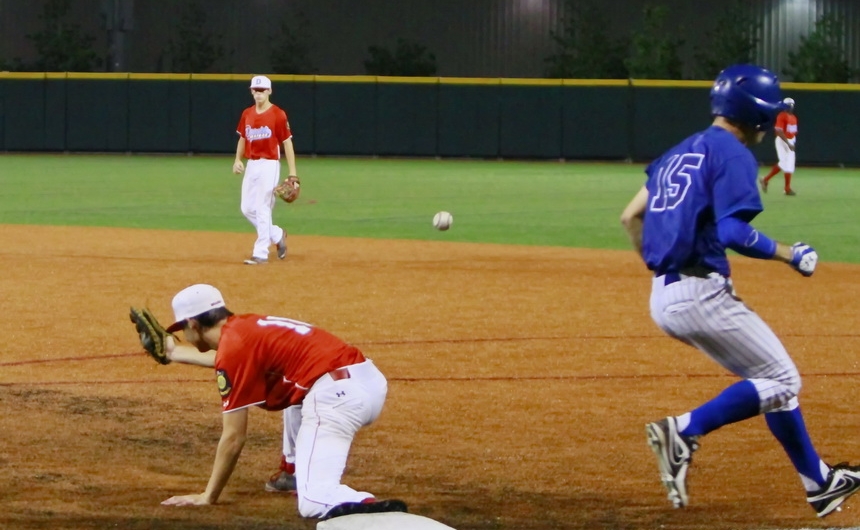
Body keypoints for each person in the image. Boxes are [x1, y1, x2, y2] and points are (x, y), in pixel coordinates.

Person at [620, 64, 860, 518]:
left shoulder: (675, 153)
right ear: (756, 116)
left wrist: (661, 265)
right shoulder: (731, 153)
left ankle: (820, 483)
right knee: (785, 379)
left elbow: (630, 217)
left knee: (773, 383)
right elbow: (731, 231)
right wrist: (790, 254)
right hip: (701, 293)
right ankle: (684, 431)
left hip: (664, 294)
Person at [157, 283, 408, 520]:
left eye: (182, 330)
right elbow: (231, 360)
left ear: (193, 323)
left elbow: (234, 437)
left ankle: (371, 509)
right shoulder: (245, 326)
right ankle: (293, 472)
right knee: (296, 396)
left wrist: (207, 496)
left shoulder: (233, 346)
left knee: (314, 502)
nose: (185, 335)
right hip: (364, 381)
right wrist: (174, 353)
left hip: (338, 399)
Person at [232, 75, 297, 265]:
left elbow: (287, 143)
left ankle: (260, 253)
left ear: (269, 91)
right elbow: (243, 138)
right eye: (255, 90)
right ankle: (276, 234)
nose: (258, 93)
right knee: (246, 208)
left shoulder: (278, 114)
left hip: (270, 163)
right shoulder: (247, 114)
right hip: (252, 164)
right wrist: (237, 159)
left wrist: (293, 173)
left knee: (262, 208)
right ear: (251, 91)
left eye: (262, 90)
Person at [759, 97, 798, 195]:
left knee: (789, 164)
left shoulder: (794, 118)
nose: (788, 108)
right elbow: (779, 131)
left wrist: (792, 142)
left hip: (790, 140)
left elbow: (793, 133)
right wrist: (788, 143)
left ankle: (787, 188)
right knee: (784, 162)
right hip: (782, 140)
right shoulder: (782, 115)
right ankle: (766, 180)